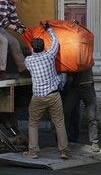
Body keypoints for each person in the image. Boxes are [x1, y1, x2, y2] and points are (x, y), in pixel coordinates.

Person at [22, 21, 71, 160]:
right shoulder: (50, 56)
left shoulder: (29, 61)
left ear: (32, 48)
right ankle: (64, 151)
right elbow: (55, 41)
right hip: (54, 96)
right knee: (59, 123)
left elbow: (31, 57)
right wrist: (48, 29)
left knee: (33, 123)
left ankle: (33, 151)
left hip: (37, 97)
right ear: (44, 47)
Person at [63, 67, 100, 152]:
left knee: (92, 117)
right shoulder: (73, 59)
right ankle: (64, 140)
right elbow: (69, 79)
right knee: (64, 112)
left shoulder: (86, 57)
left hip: (88, 88)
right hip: (75, 89)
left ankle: (94, 142)